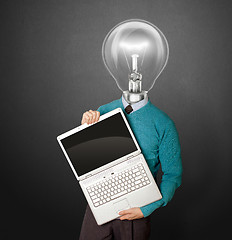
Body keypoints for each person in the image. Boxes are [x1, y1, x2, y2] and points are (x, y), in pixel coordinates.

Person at [79, 95, 183, 240]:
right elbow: (89, 157)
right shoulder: (103, 111)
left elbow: (173, 175)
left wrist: (147, 209)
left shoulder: (163, 123)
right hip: (100, 204)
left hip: (137, 211)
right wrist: (84, 129)